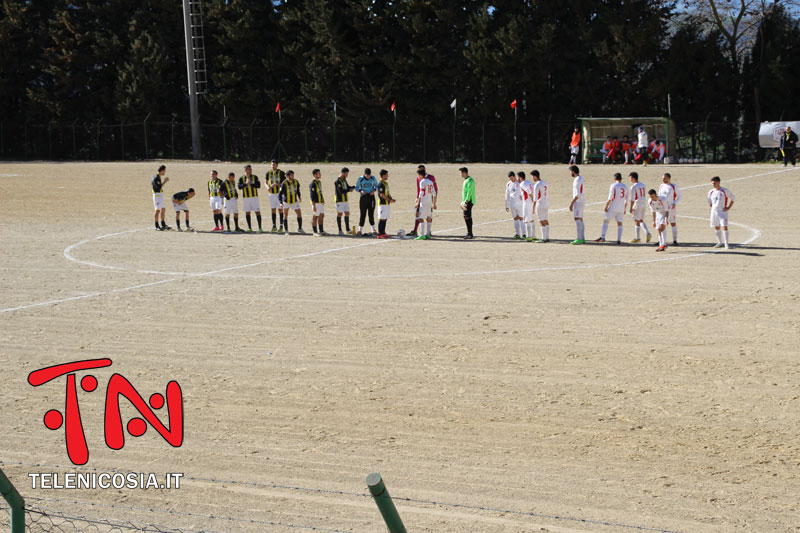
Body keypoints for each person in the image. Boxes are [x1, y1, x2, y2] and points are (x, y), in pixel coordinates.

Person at [595, 172, 628, 244]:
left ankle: (603, 236)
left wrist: (606, 206)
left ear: (614, 179)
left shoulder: (613, 185)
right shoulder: (625, 186)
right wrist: (625, 208)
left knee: (606, 220)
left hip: (614, 206)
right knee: (620, 223)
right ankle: (619, 240)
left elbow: (610, 198)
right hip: (621, 207)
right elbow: (626, 199)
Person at [410, 165, 438, 236]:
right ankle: (428, 234)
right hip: (430, 201)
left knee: (420, 217)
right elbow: (434, 192)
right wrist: (434, 203)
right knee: (429, 217)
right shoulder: (430, 181)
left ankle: (422, 235)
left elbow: (421, 192)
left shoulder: (423, 181)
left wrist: (418, 202)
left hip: (423, 201)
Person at [708, 176, 735, 249]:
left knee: (724, 226)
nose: (713, 184)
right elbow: (710, 202)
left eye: (714, 183)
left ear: (718, 182)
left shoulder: (724, 191)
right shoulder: (711, 192)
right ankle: (720, 242)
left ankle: (726, 244)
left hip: (722, 212)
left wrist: (728, 207)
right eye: (712, 183)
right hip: (714, 212)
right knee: (716, 227)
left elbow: (733, 198)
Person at [658, 172, 682, 245]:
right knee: (661, 223)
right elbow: (659, 195)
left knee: (672, 222)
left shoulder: (673, 186)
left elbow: (679, 196)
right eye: (662, 178)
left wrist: (675, 203)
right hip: (663, 208)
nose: (663, 179)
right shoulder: (661, 186)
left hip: (671, 208)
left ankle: (675, 240)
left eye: (664, 178)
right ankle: (661, 241)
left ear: (669, 178)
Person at [238, 164, 263, 232]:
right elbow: (239, 187)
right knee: (247, 213)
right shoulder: (242, 178)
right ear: (245, 170)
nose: (250, 170)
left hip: (254, 197)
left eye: (251, 169)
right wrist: (245, 184)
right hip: (246, 198)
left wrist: (250, 184)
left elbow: (258, 185)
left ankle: (260, 228)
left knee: (257, 212)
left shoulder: (255, 177)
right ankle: (249, 228)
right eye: (249, 169)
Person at [628, 172, 651, 243]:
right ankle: (647, 232)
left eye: (630, 178)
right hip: (643, 203)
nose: (630, 179)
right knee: (641, 219)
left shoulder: (633, 187)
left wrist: (631, 207)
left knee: (636, 220)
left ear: (633, 178)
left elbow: (632, 199)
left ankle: (638, 238)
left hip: (637, 204)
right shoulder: (643, 184)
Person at [355, 168, 378, 236]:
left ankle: (373, 229)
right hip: (363, 197)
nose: (368, 177)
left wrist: (374, 190)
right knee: (363, 214)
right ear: (364, 174)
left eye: (369, 175)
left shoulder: (373, 178)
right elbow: (356, 187)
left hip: (371, 197)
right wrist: (361, 191)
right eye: (367, 175)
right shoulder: (360, 178)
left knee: (371, 214)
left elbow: (376, 186)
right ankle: (360, 230)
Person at [266, 159, 286, 232]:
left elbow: (284, 182)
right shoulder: (268, 173)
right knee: (273, 210)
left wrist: (277, 184)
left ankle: (281, 226)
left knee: (280, 210)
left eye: (274, 165)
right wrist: (267, 187)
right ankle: (274, 226)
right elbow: (265, 181)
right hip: (271, 194)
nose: (273, 166)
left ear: (277, 165)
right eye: (271, 164)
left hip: (279, 194)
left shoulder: (281, 173)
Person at [334, 167, 355, 235]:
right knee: (340, 214)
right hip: (339, 200)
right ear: (343, 173)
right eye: (346, 173)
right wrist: (349, 190)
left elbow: (347, 187)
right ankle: (340, 230)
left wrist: (353, 187)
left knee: (347, 213)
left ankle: (347, 229)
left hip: (345, 200)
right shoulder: (338, 181)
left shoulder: (344, 180)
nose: (347, 175)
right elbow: (341, 191)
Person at [568, 165, 586, 244]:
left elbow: (578, 194)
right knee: (580, 219)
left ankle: (579, 238)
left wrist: (572, 203)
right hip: (582, 200)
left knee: (577, 219)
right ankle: (582, 237)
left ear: (573, 171)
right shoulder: (581, 178)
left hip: (578, 202)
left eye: (570, 171)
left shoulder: (577, 180)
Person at [531, 170, 549, 242]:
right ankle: (546, 237)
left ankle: (543, 238)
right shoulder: (544, 182)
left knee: (541, 220)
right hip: (546, 202)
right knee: (546, 220)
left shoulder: (537, 185)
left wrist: (533, 207)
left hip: (540, 203)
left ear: (535, 176)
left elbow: (535, 197)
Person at [376, 169, 395, 239]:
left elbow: (387, 193)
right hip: (382, 204)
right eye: (386, 175)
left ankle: (383, 232)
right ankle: (379, 234)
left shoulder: (386, 183)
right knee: (382, 219)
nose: (388, 176)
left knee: (385, 218)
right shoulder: (380, 184)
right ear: (383, 175)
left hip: (386, 204)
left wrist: (391, 199)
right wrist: (389, 199)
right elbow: (382, 195)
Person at [504, 171, 524, 239]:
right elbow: (507, 195)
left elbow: (524, 191)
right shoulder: (508, 184)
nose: (511, 179)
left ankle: (524, 234)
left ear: (514, 176)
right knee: (515, 218)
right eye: (510, 178)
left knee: (521, 218)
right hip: (512, 204)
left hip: (520, 203)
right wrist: (506, 205)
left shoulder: (519, 183)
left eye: (512, 178)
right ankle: (517, 233)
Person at [152, 165, 170, 231]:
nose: (165, 172)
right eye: (164, 170)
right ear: (162, 170)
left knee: (163, 209)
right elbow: (159, 187)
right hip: (157, 195)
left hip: (160, 194)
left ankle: (163, 224)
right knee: (157, 210)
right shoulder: (156, 177)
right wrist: (165, 181)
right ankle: (156, 226)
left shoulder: (158, 176)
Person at [518, 171, 535, 241]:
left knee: (526, 219)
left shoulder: (522, 184)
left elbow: (529, 191)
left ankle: (528, 236)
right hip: (530, 202)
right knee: (531, 219)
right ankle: (533, 235)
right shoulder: (529, 182)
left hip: (527, 203)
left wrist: (532, 198)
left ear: (520, 177)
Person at [309, 169, 326, 236]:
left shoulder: (319, 182)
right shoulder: (312, 184)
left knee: (322, 215)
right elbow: (312, 195)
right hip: (315, 202)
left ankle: (321, 230)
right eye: (319, 173)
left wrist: (323, 198)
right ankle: (315, 232)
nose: (320, 174)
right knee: (315, 217)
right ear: (315, 175)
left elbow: (320, 192)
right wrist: (314, 205)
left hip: (320, 202)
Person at [460, 167, 475, 239]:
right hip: (465, 201)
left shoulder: (470, 180)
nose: (460, 174)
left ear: (464, 172)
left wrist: (466, 201)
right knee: (467, 216)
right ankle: (469, 232)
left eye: (461, 172)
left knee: (467, 216)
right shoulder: (466, 180)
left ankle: (470, 233)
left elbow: (470, 192)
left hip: (469, 201)